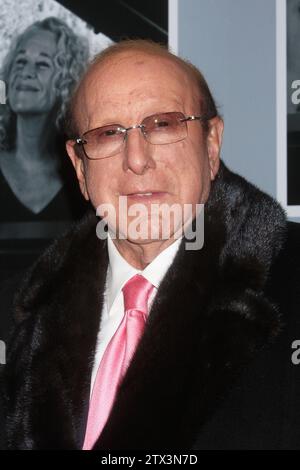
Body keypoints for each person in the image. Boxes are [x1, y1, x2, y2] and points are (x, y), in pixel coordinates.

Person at [2, 39, 300, 450]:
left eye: (163, 125)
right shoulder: (19, 314)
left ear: (211, 143)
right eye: (108, 134)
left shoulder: (290, 283)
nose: (137, 159)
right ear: (80, 167)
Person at [0, 17, 89, 228]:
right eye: (21, 61)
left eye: (42, 64)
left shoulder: (85, 174)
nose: (26, 73)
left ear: (67, 83)